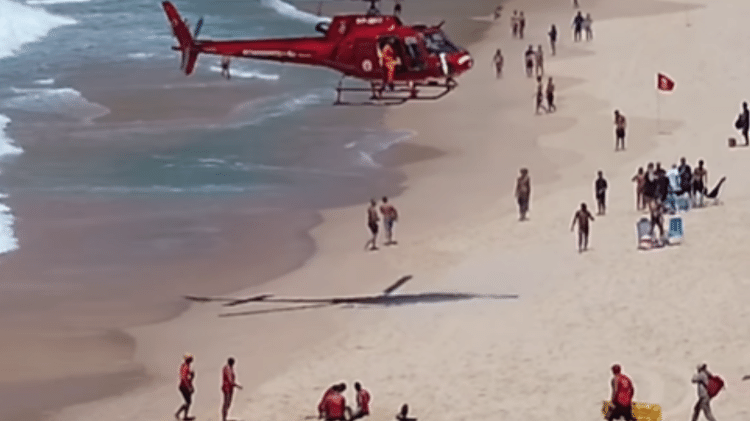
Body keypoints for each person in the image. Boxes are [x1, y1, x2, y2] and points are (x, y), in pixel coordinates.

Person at [175, 354, 195, 421]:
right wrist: (189, 387)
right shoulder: (186, 367)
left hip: (184, 386)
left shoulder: (186, 366)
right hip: (184, 386)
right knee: (188, 402)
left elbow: (188, 378)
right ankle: (180, 414)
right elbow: (184, 378)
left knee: (188, 402)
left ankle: (182, 415)